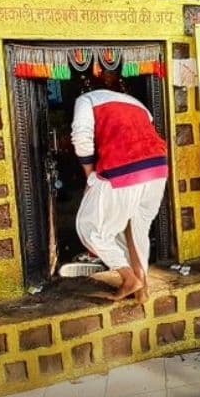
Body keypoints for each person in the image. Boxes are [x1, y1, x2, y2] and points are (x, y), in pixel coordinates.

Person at [71, 69, 168, 302]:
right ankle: (142, 288)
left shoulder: (86, 100)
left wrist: (90, 175)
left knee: (89, 227)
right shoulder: (136, 103)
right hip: (157, 169)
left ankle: (128, 278)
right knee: (137, 231)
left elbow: (81, 138)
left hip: (122, 169)